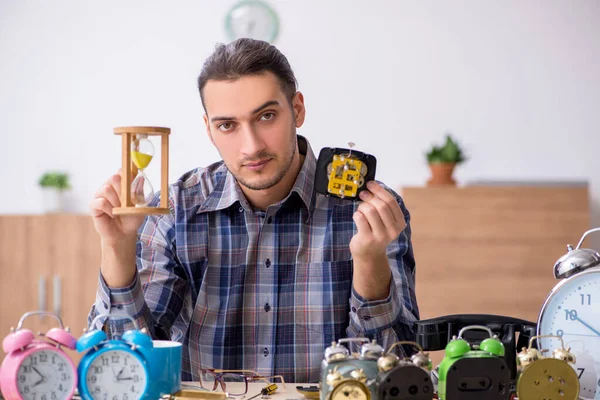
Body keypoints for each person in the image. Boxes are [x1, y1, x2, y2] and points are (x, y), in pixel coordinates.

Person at [88, 38, 419, 383]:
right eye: (227, 125)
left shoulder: (369, 213)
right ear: (209, 129)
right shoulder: (174, 212)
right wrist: (117, 248)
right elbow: (125, 368)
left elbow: (396, 371)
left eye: (266, 116)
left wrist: (369, 262)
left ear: (298, 109)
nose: (252, 146)